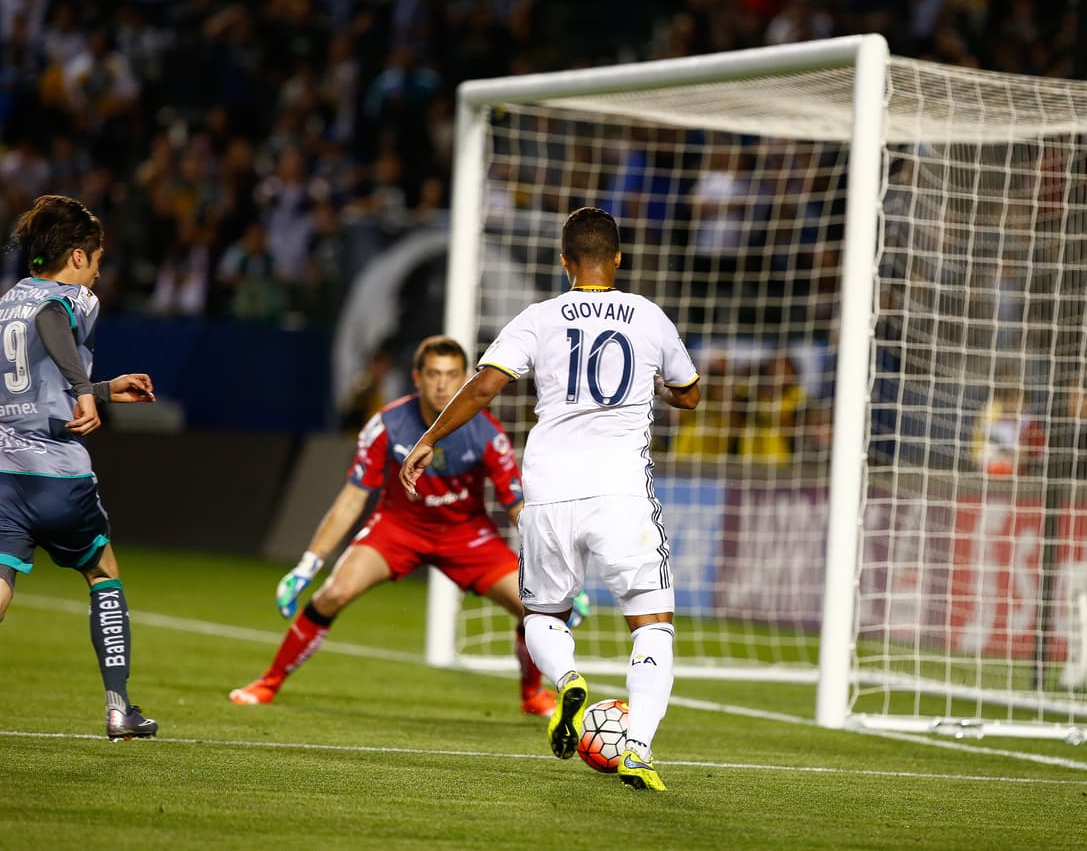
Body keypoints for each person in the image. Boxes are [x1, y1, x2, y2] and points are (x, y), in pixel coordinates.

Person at [400, 208, 701, 791]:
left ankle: (566, 682)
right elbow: (690, 396)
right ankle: (636, 746)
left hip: (549, 492)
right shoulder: (648, 315)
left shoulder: (539, 317)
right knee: (652, 623)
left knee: (544, 614)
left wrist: (430, 439)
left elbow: (485, 386)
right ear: (617, 259)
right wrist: (659, 383)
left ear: (564, 262)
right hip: (621, 494)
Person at [229, 335, 561, 716]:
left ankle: (532, 696)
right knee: (334, 593)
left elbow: (517, 508)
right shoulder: (386, 424)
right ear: (417, 378)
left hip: (466, 533)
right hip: (399, 527)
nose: (442, 385)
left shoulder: (487, 434)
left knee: (533, 606)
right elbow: (353, 497)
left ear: (466, 379)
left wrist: (550, 566)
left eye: (452, 375)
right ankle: (268, 682)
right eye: (433, 374)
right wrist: (308, 564)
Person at [0, 194, 159, 740]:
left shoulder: (5, 304)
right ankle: (119, 708)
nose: (96, 271)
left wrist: (104, 389)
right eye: (95, 259)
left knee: (0, 583)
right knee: (103, 571)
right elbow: (53, 321)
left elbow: (26, 378)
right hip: (58, 476)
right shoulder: (72, 297)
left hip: (5, 472)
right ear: (74, 257)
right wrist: (80, 390)